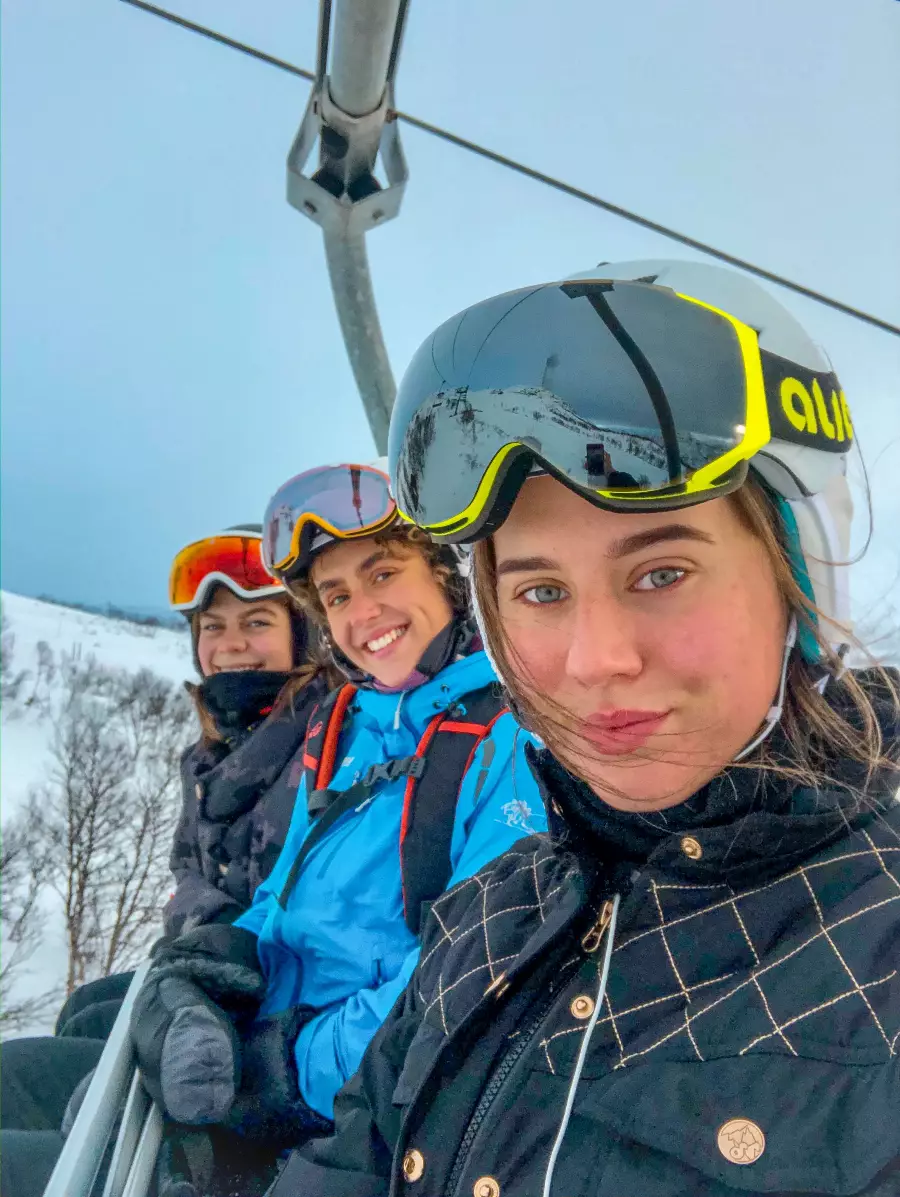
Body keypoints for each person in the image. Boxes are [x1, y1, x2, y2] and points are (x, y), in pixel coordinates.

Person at [277, 262, 900, 1197]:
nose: (595, 659)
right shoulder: (491, 913)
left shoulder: (876, 951)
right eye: (540, 591)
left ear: (798, 583)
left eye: (662, 573)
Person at [130, 462, 546, 1195]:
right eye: (338, 595)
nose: (363, 612)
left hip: (367, 1119)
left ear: (447, 574)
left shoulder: (508, 739)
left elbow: (459, 983)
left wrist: (288, 1070)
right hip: (278, 1054)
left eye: (383, 573)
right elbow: (281, 894)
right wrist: (219, 961)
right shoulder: (345, 726)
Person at [0, 526, 326, 1197]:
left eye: (256, 622)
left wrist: (201, 958)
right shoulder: (211, 759)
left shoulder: (324, 747)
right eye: (213, 626)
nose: (231, 643)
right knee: (85, 1009)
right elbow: (190, 878)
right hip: (202, 988)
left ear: (304, 637)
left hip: (261, 1018)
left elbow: (288, 908)